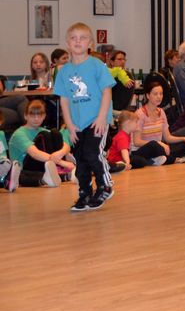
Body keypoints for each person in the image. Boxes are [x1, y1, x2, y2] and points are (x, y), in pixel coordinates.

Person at [53, 22, 116, 211]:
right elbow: (64, 100)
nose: (78, 41)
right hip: (77, 124)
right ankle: (85, 192)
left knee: (92, 153)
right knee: (80, 158)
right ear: (67, 43)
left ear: (90, 43)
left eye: (82, 38)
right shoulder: (63, 72)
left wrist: (102, 117)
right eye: (73, 38)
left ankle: (105, 186)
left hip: (97, 120)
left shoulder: (97, 66)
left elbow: (107, 92)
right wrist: (69, 125)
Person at [8, 99, 69, 188]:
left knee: (55, 133)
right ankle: (58, 172)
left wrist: (61, 153)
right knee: (44, 135)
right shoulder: (19, 133)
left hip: (45, 164)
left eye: (39, 115)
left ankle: (61, 172)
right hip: (24, 169)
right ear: (25, 116)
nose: (36, 119)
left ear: (44, 116)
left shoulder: (44, 130)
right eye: (32, 115)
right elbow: (34, 153)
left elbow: (66, 145)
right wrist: (62, 162)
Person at [134, 81, 185, 165]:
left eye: (161, 94)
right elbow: (136, 142)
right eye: (155, 94)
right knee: (154, 145)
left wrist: (184, 139)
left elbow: (168, 137)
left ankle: (161, 159)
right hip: (144, 150)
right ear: (148, 95)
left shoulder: (161, 112)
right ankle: (175, 159)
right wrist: (158, 143)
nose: (159, 97)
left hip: (159, 149)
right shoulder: (140, 114)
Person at [144, 49, 181, 125]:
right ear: (169, 60)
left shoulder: (179, 71)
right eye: (177, 57)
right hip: (167, 102)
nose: (179, 59)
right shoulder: (163, 73)